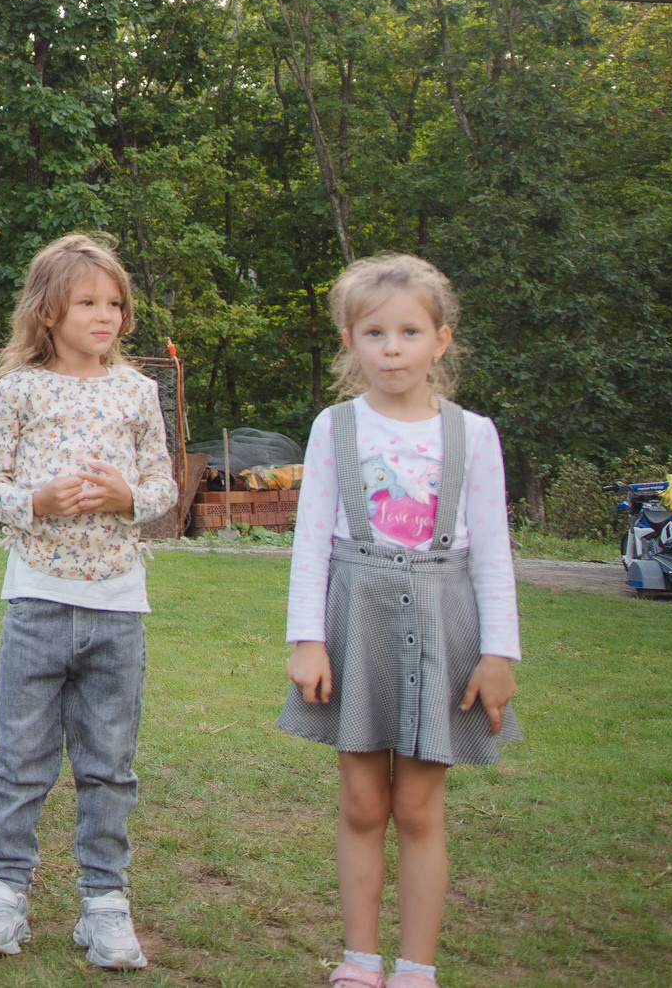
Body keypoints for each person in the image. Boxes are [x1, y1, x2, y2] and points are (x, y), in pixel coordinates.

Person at [280, 255, 519, 988]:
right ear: (351, 342)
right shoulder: (333, 427)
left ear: (440, 340)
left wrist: (498, 654)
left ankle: (416, 965)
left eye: (409, 331)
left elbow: (494, 555)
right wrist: (307, 639)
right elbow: (311, 538)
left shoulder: (473, 435)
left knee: (417, 805)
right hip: (356, 619)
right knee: (361, 800)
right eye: (374, 331)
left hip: (445, 625)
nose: (391, 347)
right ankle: (359, 959)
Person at [0, 234, 177, 968]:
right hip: (38, 603)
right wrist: (38, 502)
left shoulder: (138, 391)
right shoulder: (21, 388)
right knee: (22, 758)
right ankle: (3, 893)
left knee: (109, 762)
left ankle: (105, 906)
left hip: (119, 606)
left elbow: (164, 488)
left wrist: (128, 497)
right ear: (49, 311)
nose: (105, 314)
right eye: (88, 301)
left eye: (114, 302)